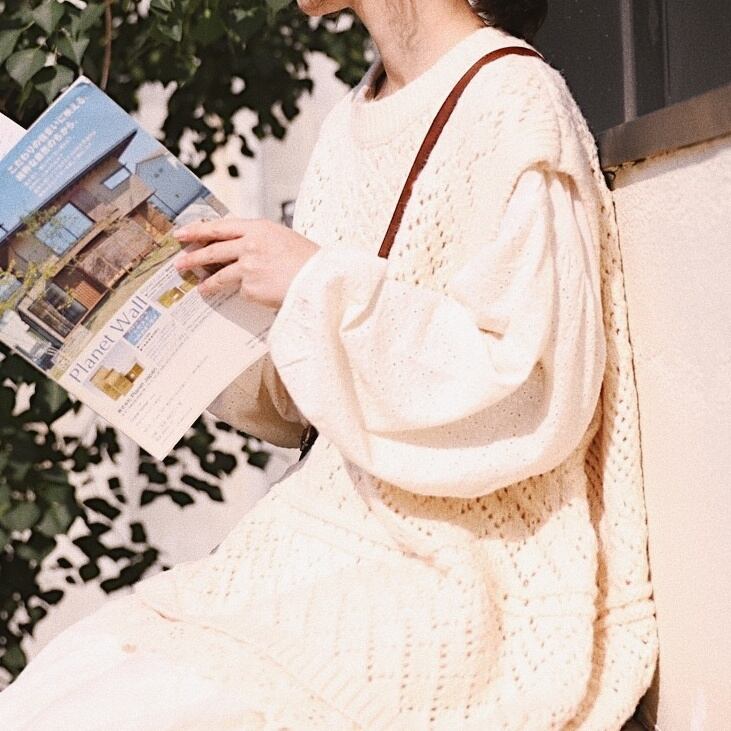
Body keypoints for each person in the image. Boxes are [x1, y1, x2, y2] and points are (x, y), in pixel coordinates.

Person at [0, 1, 659, 729]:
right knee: (56, 682)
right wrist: (184, 331)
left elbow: (529, 385)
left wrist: (313, 280)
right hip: (306, 537)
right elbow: (310, 398)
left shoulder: (514, 101)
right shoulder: (348, 121)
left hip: (455, 561)